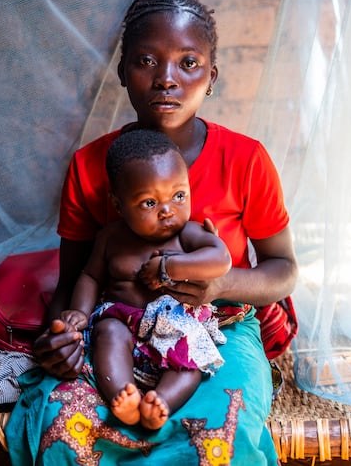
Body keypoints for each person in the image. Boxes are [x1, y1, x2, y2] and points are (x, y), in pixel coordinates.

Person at [6, 0, 298, 466]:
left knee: (221, 431)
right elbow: (76, 278)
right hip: (114, 329)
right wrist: (60, 335)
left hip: (216, 328)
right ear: (123, 74)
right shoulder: (89, 165)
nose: (166, 79)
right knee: (62, 421)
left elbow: (283, 269)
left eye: (188, 63)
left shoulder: (245, 160)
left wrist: (221, 283)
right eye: (145, 61)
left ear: (212, 76)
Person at [60, 128, 231, 430]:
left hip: (175, 328)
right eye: (149, 203)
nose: (168, 211)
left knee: (190, 363)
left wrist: (170, 267)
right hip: (123, 326)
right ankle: (123, 398)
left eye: (179, 195)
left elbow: (221, 259)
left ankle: (161, 403)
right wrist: (80, 311)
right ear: (117, 204)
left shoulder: (187, 234)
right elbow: (90, 276)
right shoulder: (111, 238)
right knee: (107, 333)